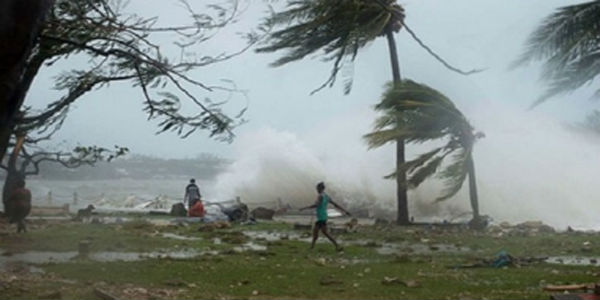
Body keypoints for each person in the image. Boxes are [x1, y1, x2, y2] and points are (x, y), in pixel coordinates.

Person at [301, 182, 351, 251]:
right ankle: (336, 246)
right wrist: (345, 211)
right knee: (322, 232)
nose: (317, 190)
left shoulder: (320, 196)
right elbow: (335, 204)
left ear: (320, 188)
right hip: (323, 216)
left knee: (318, 232)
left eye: (317, 188)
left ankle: (312, 247)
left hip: (321, 217)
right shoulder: (327, 196)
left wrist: (304, 208)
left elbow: (316, 205)